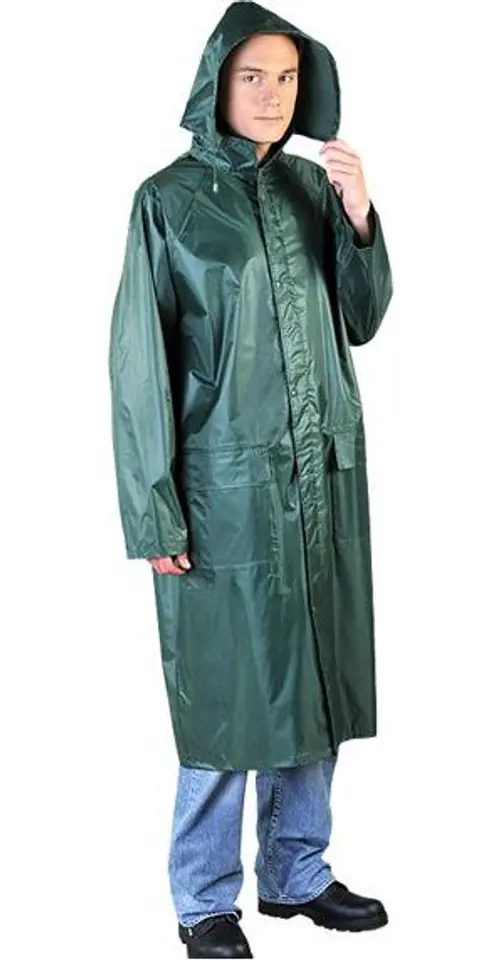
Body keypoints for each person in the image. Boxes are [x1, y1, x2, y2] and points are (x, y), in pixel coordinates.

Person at [108, 2, 393, 956]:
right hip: (223, 493)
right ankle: (202, 900)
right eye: (252, 76)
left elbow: (363, 319)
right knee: (226, 697)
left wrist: (360, 217)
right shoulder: (167, 201)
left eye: (287, 77)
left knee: (316, 684)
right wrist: (154, 511)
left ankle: (297, 873)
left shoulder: (315, 188)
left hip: (323, 480)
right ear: (216, 83)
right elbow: (138, 364)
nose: (272, 95)